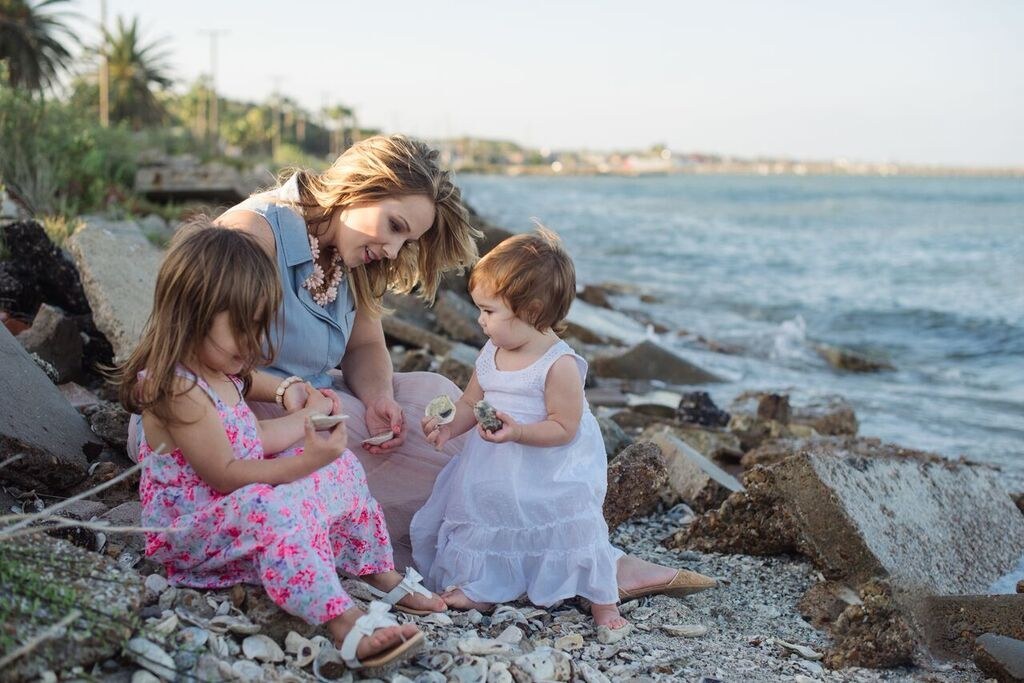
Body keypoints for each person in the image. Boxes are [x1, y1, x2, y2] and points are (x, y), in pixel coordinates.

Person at [203, 134, 712, 602]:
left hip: (315, 397)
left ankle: (575, 558)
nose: (394, 250)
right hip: (237, 414)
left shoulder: (352, 255)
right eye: (395, 227)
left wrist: (380, 397)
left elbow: (365, 348)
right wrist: (293, 390)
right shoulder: (255, 234)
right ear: (359, 186)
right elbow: (200, 360)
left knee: (437, 398)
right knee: (451, 466)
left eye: (407, 241)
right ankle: (558, 567)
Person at [116, 223, 433, 673]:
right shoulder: (176, 388)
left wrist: (305, 420)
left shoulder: (223, 373)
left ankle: (373, 566)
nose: (255, 344)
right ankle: (342, 620)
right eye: (243, 329)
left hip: (236, 504)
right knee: (279, 507)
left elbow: (252, 439)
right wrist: (304, 461)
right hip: (193, 529)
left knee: (340, 467)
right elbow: (225, 472)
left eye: (261, 327)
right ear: (193, 313)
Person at [410, 229, 712, 635]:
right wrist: (449, 429)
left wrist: (519, 433)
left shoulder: (558, 364)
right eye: (479, 310)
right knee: (488, 512)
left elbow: (564, 427)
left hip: (551, 466)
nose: (480, 321)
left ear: (532, 311)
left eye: (489, 311)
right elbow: (469, 403)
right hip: (495, 464)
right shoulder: (491, 351)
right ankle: (484, 584)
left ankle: (603, 600)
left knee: (570, 524)